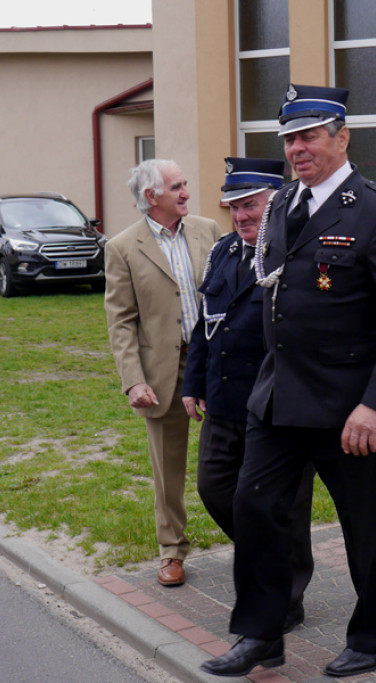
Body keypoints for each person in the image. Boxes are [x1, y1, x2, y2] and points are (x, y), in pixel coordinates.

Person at [200, 84, 376, 678]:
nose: (297, 149)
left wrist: (375, 406)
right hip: (279, 398)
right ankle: (262, 634)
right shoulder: (281, 206)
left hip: (350, 407)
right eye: (289, 139)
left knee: (365, 528)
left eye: (308, 137)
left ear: (341, 136)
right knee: (254, 508)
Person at [182, 157, 315, 633]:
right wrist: (192, 383)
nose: (241, 216)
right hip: (222, 400)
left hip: (277, 406)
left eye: (251, 205)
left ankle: (288, 595)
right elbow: (205, 324)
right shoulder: (222, 253)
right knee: (214, 488)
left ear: (275, 203)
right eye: (234, 207)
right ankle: (266, 557)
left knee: (284, 506)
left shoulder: (292, 255)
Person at [104, 159, 222, 587]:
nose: (186, 192)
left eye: (186, 184)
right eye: (177, 187)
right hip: (162, 372)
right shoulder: (122, 247)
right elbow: (120, 320)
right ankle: (172, 550)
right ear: (152, 197)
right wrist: (133, 379)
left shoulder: (208, 230)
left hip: (213, 363)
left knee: (236, 454)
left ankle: (252, 536)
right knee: (168, 467)